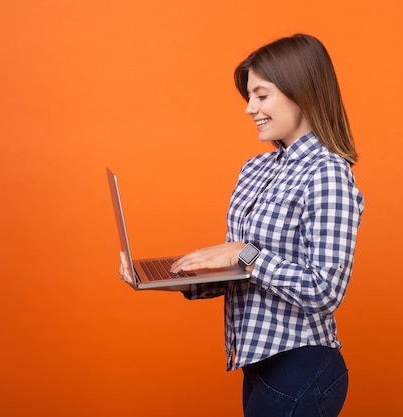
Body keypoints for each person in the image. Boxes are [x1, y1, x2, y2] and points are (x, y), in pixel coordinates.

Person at [120, 33, 364, 417]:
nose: (250, 109)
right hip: (257, 364)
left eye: (262, 95)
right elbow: (242, 271)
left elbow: (324, 290)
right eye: (249, 97)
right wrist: (167, 277)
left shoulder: (327, 173)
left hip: (301, 367)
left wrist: (245, 252)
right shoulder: (255, 169)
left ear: (301, 91)